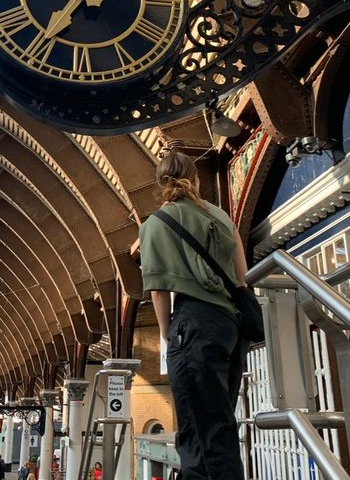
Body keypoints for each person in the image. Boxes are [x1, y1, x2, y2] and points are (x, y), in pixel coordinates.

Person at [139, 151, 249, 480]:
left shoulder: (154, 225)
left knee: (196, 430)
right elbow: (241, 275)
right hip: (229, 326)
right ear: (196, 179)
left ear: (160, 184)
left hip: (191, 327)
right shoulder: (220, 216)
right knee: (219, 421)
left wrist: (167, 332)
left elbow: (158, 290)